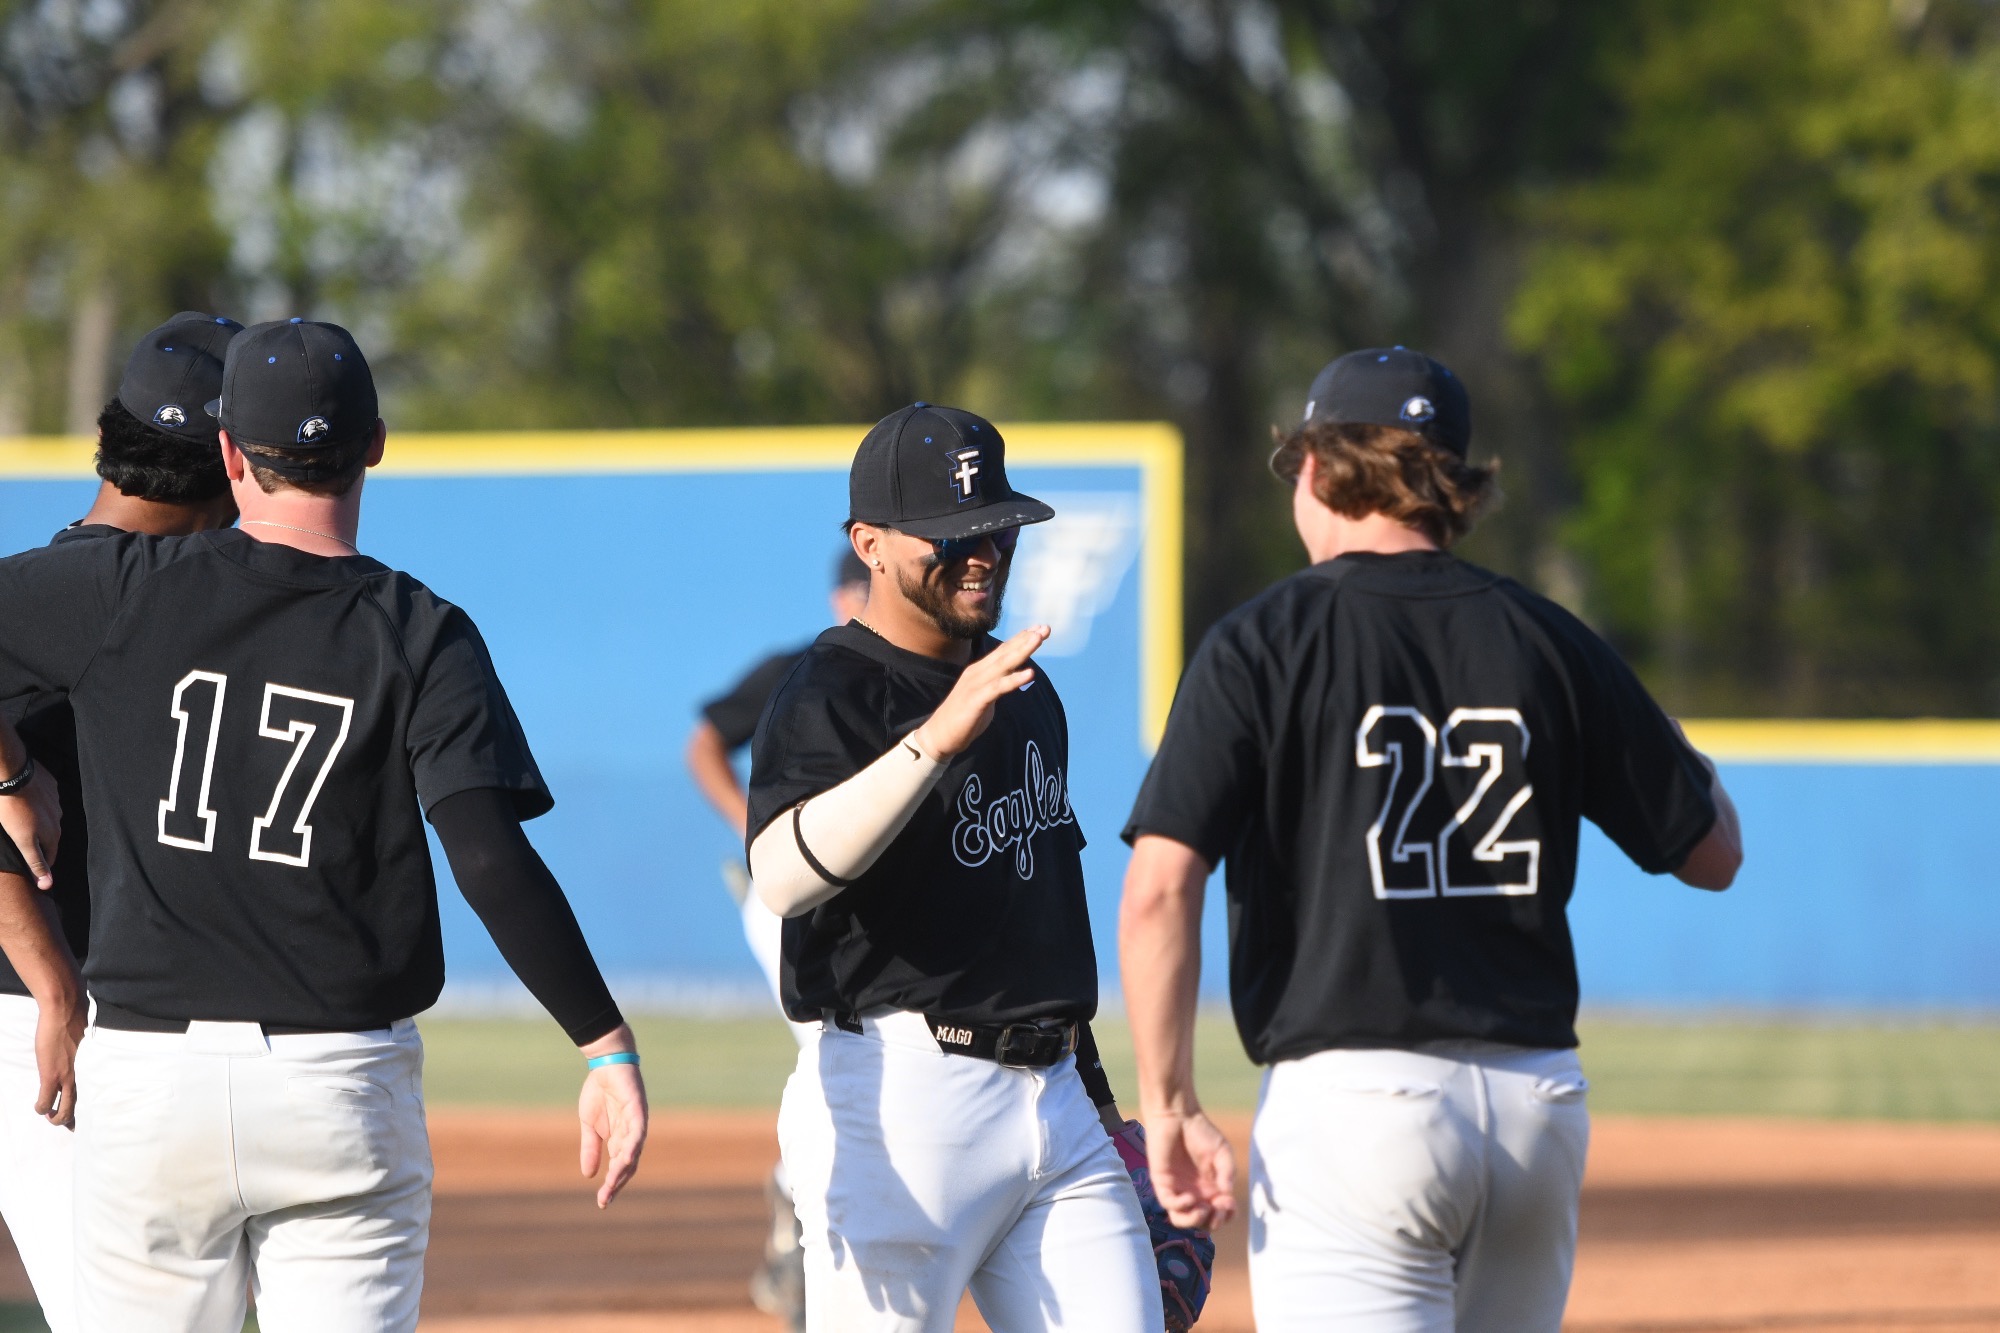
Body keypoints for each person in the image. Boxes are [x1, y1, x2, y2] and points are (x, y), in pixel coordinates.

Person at [0, 317, 649, 1333]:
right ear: (376, 444)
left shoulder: (118, 592)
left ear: (228, 453)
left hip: (147, 1076)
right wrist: (601, 1042)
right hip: (334, 1082)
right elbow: (484, 851)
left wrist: (14, 774)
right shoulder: (418, 629)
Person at [1118, 348, 1744, 1333]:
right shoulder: (1550, 637)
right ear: (1452, 484)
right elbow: (1712, 854)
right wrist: (1637, 709)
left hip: (1356, 1102)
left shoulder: (1261, 638)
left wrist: (1168, 1101)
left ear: (1317, 470)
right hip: (1534, 1104)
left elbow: (1158, 887)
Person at [744, 403, 1163, 1332]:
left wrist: (1104, 1110)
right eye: (950, 534)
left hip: (1057, 1101)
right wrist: (932, 743)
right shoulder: (830, 693)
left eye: (994, 527)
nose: (982, 551)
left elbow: (1039, 914)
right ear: (871, 545)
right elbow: (780, 875)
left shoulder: (1022, 686)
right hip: (904, 1097)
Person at [0, 310, 243, 1333]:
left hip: (134, 1028)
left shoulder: (137, 589)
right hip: (51, 1027)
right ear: (231, 467)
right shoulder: (59, 597)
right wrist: (52, 980)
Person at [683, 549, 869, 1329]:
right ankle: (804, 1213)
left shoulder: (930, 678)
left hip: (876, 905)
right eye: (862, 589)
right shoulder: (799, 671)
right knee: (832, 1044)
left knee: (858, 1049)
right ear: (843, 593)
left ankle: (800, 1194)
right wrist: (754, 830)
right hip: (789, 897)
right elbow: (704, 741)